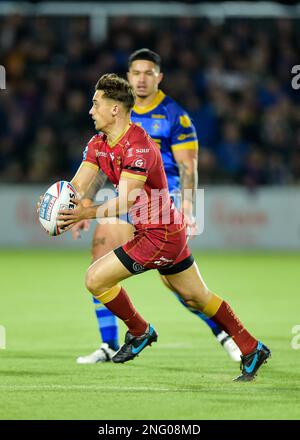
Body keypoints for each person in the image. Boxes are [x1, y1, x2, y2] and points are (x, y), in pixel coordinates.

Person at [56, 73, 271, 381]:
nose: (91, 110)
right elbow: (77, 186)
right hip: (164, 232)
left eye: (96, 103)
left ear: (115, 109)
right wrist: (57, 205)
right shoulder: (98, 144)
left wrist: (85, 213)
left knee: (95, 279)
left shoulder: (139, 145)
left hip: (159, 235)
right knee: (199, 297)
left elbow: (127, 199)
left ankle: (140, 330)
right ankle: (252, 348)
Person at [74, 49, 241, 364]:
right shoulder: (117, 109)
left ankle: (222, 333)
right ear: (128, 77)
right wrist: (82, 204)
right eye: (135, 72)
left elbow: (188, 167)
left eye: (148, 72)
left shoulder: (174, 116)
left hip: (162, 202)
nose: (140, 78)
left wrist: (189, 208)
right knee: (100, 256)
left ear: (158, 77)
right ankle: (109, 343)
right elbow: (101, 161)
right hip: (125, 198)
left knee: (176, 282)